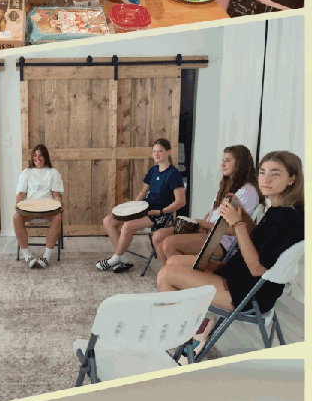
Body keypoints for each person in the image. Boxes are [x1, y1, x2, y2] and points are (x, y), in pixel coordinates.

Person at [158, 151, 304, 351]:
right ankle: (196, 326)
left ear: (292, 179)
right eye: (262, 172)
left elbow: (256, 268)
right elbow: (260, 242)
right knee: (174, 261)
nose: (266, 179)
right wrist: (243, 216)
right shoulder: (284, 211)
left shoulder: (287, 219)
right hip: (243, 280)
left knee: (167, 275)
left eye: (275, 173)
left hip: (248, 294)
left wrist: (238, 225)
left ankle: (185, 341)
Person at [154, 146, 261, 268]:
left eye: (227, 160)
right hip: (210, 232)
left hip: (221, 241)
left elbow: (232, 230)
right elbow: (211, 213)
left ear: (240, 163)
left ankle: (180, 279)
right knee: (159, 236)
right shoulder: (227, 187)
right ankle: (168, 275)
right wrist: (202, 224)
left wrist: (201, 224)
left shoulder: (247, 192)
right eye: (223, 160)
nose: (223, 165)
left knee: (170, 244)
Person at [98, 138, 186, 273]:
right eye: (154, 151)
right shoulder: (153, 170)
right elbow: (144, 192)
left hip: (159, 214)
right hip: (145, 209)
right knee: (108, 220)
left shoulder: (173, 174)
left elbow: (181, 202)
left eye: (160, 151)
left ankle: (115, 259)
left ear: (168, 152)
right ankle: (123, 258)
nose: (157, 154)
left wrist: (162, 211)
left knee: (127, 226)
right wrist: (132, 209)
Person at [14, 143, 64, 269]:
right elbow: (21, 193)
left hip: (48, 208)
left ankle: (46, 256)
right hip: (30, 208)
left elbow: (56, 194)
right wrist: (17, 204)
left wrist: (59, 205)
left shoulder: (53, 172)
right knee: (16, 218)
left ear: (45, 157)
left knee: (58, 217)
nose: (37, 158)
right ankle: (27, 255)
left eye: (41, 155)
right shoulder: (27, 172)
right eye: (35, 155)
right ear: (32, 157)